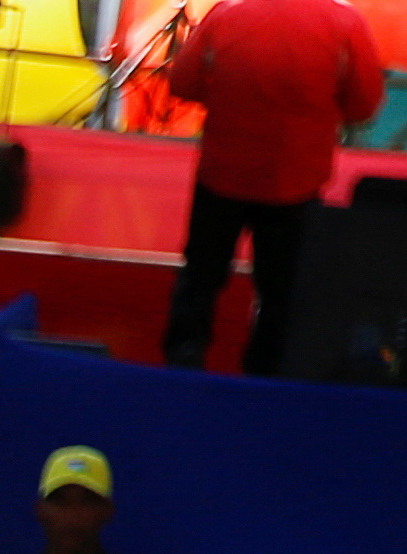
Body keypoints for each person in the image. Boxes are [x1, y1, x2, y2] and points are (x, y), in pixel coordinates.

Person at [157, 0, 386, 369]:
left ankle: (184, 356)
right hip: (295, 181)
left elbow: (182, 81)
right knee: (283, 292)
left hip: (223, 172)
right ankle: (265, 372)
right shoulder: (346, 22)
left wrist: (228, 98)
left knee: (200, 275)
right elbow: (364, 105)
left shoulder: (226, 12)